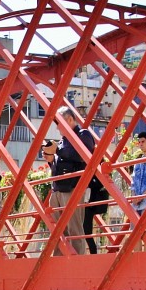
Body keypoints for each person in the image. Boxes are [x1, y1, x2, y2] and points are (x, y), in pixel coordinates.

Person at [50, 106, 95, 255]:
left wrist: (57, 150)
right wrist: (51, 159)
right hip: (58, 187)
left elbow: (83, 155)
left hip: (73, 187)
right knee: (57, 230)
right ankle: (58, 261)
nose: (57, 128)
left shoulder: (83, 134)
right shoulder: (64, 140)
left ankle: (77, 262)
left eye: (59, 123)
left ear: (70, 119)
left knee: (74, 229)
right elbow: (63, 160)